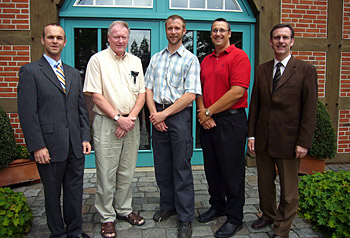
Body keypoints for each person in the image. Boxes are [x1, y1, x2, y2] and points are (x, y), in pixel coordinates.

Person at [17, 23, 91, 238]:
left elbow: (81, 110)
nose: (55, 41)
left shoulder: (73, 73)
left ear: (65, 42)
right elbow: (27, 114)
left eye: (59, 38)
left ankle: (75, 231)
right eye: (50, 37)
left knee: (74, 192)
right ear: (43, 40)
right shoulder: (30, 72)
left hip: (75, 146)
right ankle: (58, 234)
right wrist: (37, 146)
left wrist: (85, 137)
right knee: (52, 194)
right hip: (49, 147)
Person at [247, 24, 318, 238]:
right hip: (264, 139)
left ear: (292, 41)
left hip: (289, 140)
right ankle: (268, 215)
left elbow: (310, 109)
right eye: (277, 37)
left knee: (289, 190)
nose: (281, 41)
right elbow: (255, 105)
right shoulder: (262, 69)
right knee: (264, 184)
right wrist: (251, 135)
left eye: (285, 37)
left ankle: (282, 228)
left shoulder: (306, 70)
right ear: (271, 42)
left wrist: (303, 142)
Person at [83, 21, 146, 238]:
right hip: (107, 123)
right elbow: (96, 95)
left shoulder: (136, 61)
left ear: (128, 38)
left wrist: (130, 118)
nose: (120, 40)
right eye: (116, 36)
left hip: (131, 122)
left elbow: (142, 94)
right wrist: (118, 118)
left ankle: (124, 209)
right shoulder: (97, 60)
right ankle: (107, 217)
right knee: (106, 174)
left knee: (127, 171)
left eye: (124, 37)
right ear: (108, 38)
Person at [145, 15, 201, 238]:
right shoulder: (156, 58)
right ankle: (168, 206)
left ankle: (185, 217)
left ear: (184, 31)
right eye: (170, 28)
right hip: (157, 112)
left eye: (177, 28)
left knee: (181, 167)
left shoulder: (190, 59)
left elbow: (190, 95)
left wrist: (164, 115)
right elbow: (147, 88)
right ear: (166, 31)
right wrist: (153, 114)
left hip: (178, 116)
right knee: (162, 166)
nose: (173, 31)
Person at [196, 18, 251, 238]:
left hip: (231, 121)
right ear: (210, 35)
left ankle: (235, 218)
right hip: (207, 120)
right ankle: (217, 205)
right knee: (212, 169)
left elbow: (237, 91)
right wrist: (203, 113)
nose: (218, 34)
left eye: (222, 30)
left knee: (232, 172)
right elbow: (197, 88)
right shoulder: (206, 60)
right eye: (214, 31)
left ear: (229, 33)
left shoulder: (239, 57)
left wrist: (209, 111)